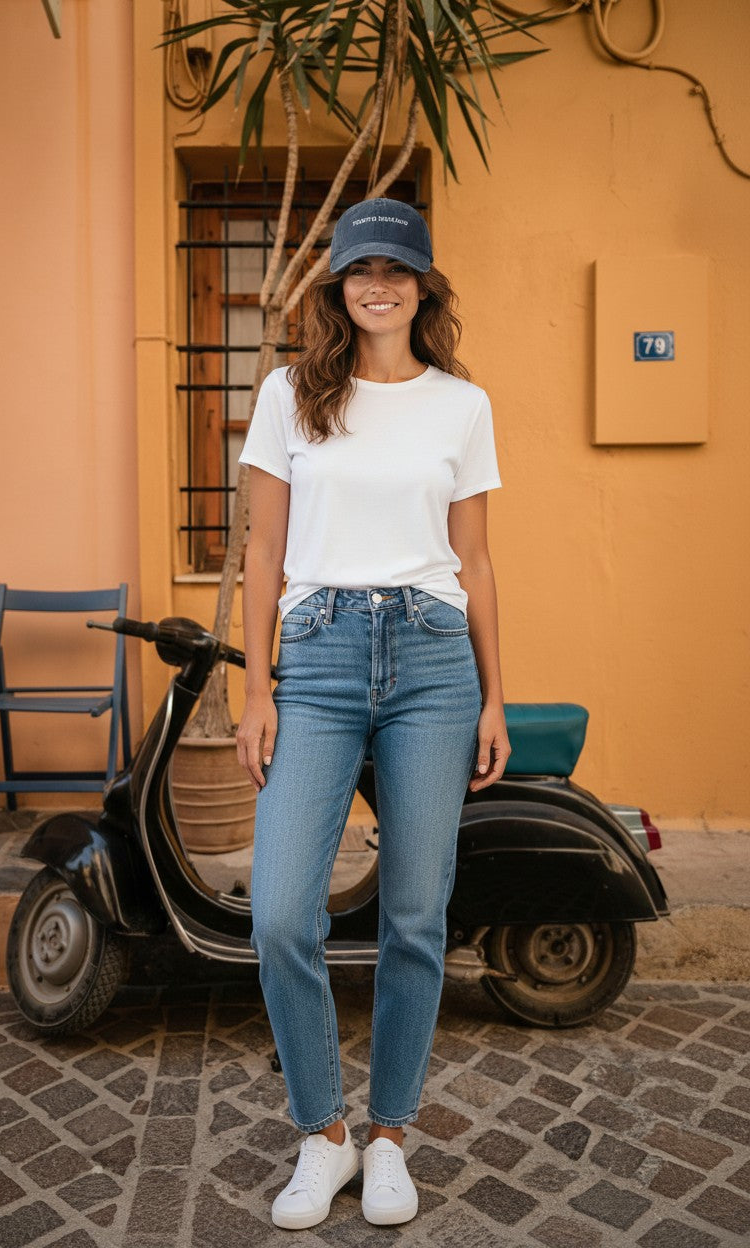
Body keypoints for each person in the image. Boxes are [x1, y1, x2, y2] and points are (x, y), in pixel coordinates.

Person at [235, 196, 511, 1231]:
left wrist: (495, 695)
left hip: (436, 663)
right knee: (279, 913)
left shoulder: (461, 404)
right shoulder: (289, 396)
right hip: (316, 658)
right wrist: (254, 689)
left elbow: (475, 560)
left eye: (397, 267)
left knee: (414, 915)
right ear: (337, 286)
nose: (377, 283)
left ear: (423, 284)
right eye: (360, 269)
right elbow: (264, 554)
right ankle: (324, 1133)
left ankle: (390, 1132)